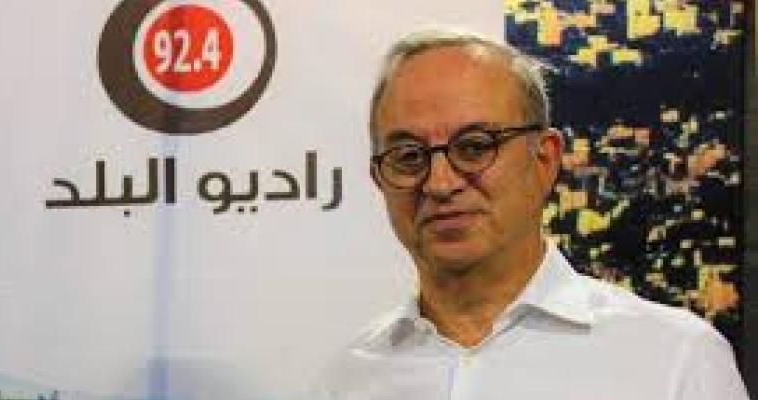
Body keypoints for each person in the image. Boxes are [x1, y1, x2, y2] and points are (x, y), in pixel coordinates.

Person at [314, 29, 750, 399]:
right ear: (380, 179)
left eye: (474, 147)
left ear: (544, 159)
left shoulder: (674, 361)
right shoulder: (347, 380)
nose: (440, 184)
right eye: (409, 157)